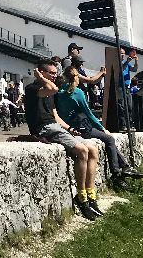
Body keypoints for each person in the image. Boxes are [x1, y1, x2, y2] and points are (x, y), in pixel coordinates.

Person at [24, 59, 102, 220]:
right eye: (51, 73)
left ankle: (91, 195)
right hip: (43, 128)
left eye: (55, 73)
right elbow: (52, 89)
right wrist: (39, 77)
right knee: (82, 151)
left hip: (55, 126)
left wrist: (69, 129)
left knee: (93, 149)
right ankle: (81, 198)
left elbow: (56, 116)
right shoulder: (33, 88)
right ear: (41, 72)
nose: (54, 76)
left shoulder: (48, 89)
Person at [57, 65, 143, 190]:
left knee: (107, 140)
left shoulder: (59, 91)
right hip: (81, 128)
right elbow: (89, 114)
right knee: (109, 139)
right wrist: (102, 128)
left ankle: (124, 166)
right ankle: (117, 174)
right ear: (76, 78)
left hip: (67, 127)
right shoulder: (78, 92)